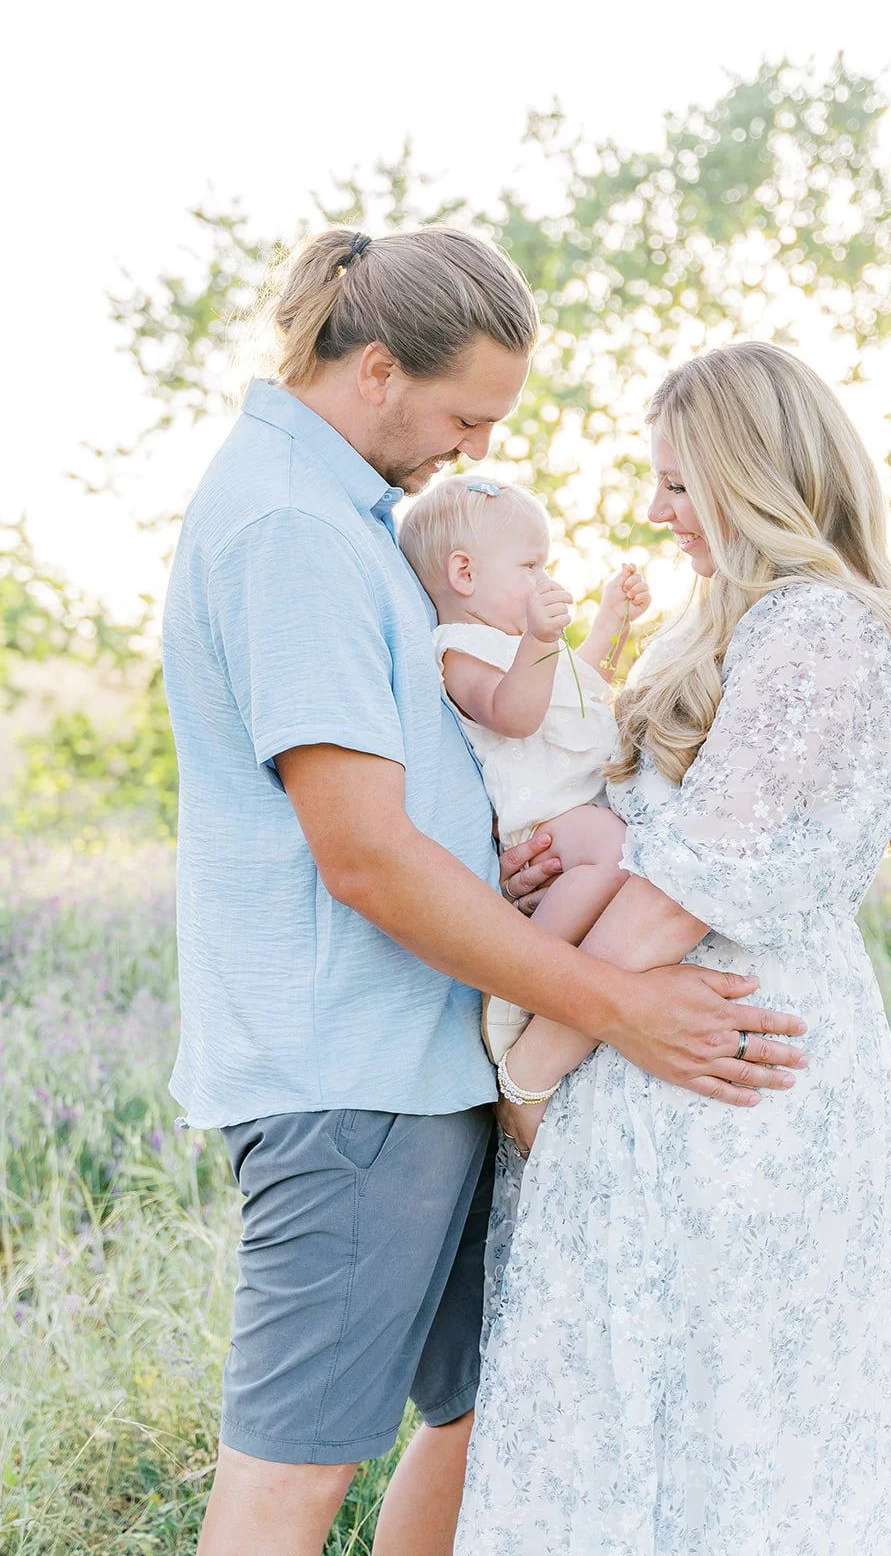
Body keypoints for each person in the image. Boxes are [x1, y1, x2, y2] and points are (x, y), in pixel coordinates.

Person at [161, 227, 808, 1556]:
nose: (468, 449)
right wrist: (614, 1004)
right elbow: (362, 856)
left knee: (482, 1419)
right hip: (349, 1077)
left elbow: (439, 776)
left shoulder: (343, 519)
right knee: (298, 1470)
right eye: (463, 415)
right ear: (379, 368)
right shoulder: (291, 528)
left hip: (425, 1059)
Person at [456, 342, 891, 1555]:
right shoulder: (732, 626)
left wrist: (535, 1062)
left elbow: (686, 890)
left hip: (732, 1067)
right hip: (654, 1051)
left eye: (680, 484)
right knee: (649, 1406)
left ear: (760, 476)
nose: (655, 512)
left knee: (738, 1413)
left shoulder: (819, 628)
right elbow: (636, 840)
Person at [399, 470, 650, 1061]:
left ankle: (563, 984)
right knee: (616, 854)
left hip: (579, 809)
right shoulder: (460, 649)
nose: (546, 580)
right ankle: (522, 977)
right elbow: (515, 714)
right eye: (530, 567)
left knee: (622, 863)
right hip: (543, 819)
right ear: (465, 574)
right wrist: (539, 641)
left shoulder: (523, 647)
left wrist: (613, 619)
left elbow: (584, 691)